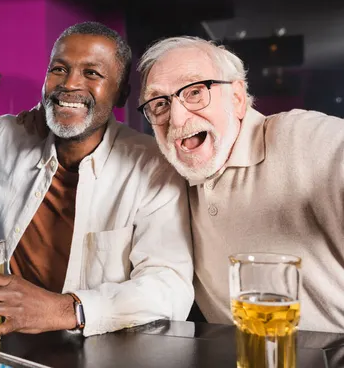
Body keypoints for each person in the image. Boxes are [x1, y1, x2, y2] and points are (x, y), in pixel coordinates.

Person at [0, 22, 194, 338]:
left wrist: (66, 309)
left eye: (92, 74)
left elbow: (170, 287)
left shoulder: (152, 165)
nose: (70, 84)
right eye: (59, 69)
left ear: (121, 94)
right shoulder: (5, 136)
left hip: (98, 352)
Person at [137, 36, 344, 332]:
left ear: (236, 98)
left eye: (195, 92)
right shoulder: (168, 182)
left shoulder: (301, 137)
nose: (177, 118)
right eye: (159, 103)